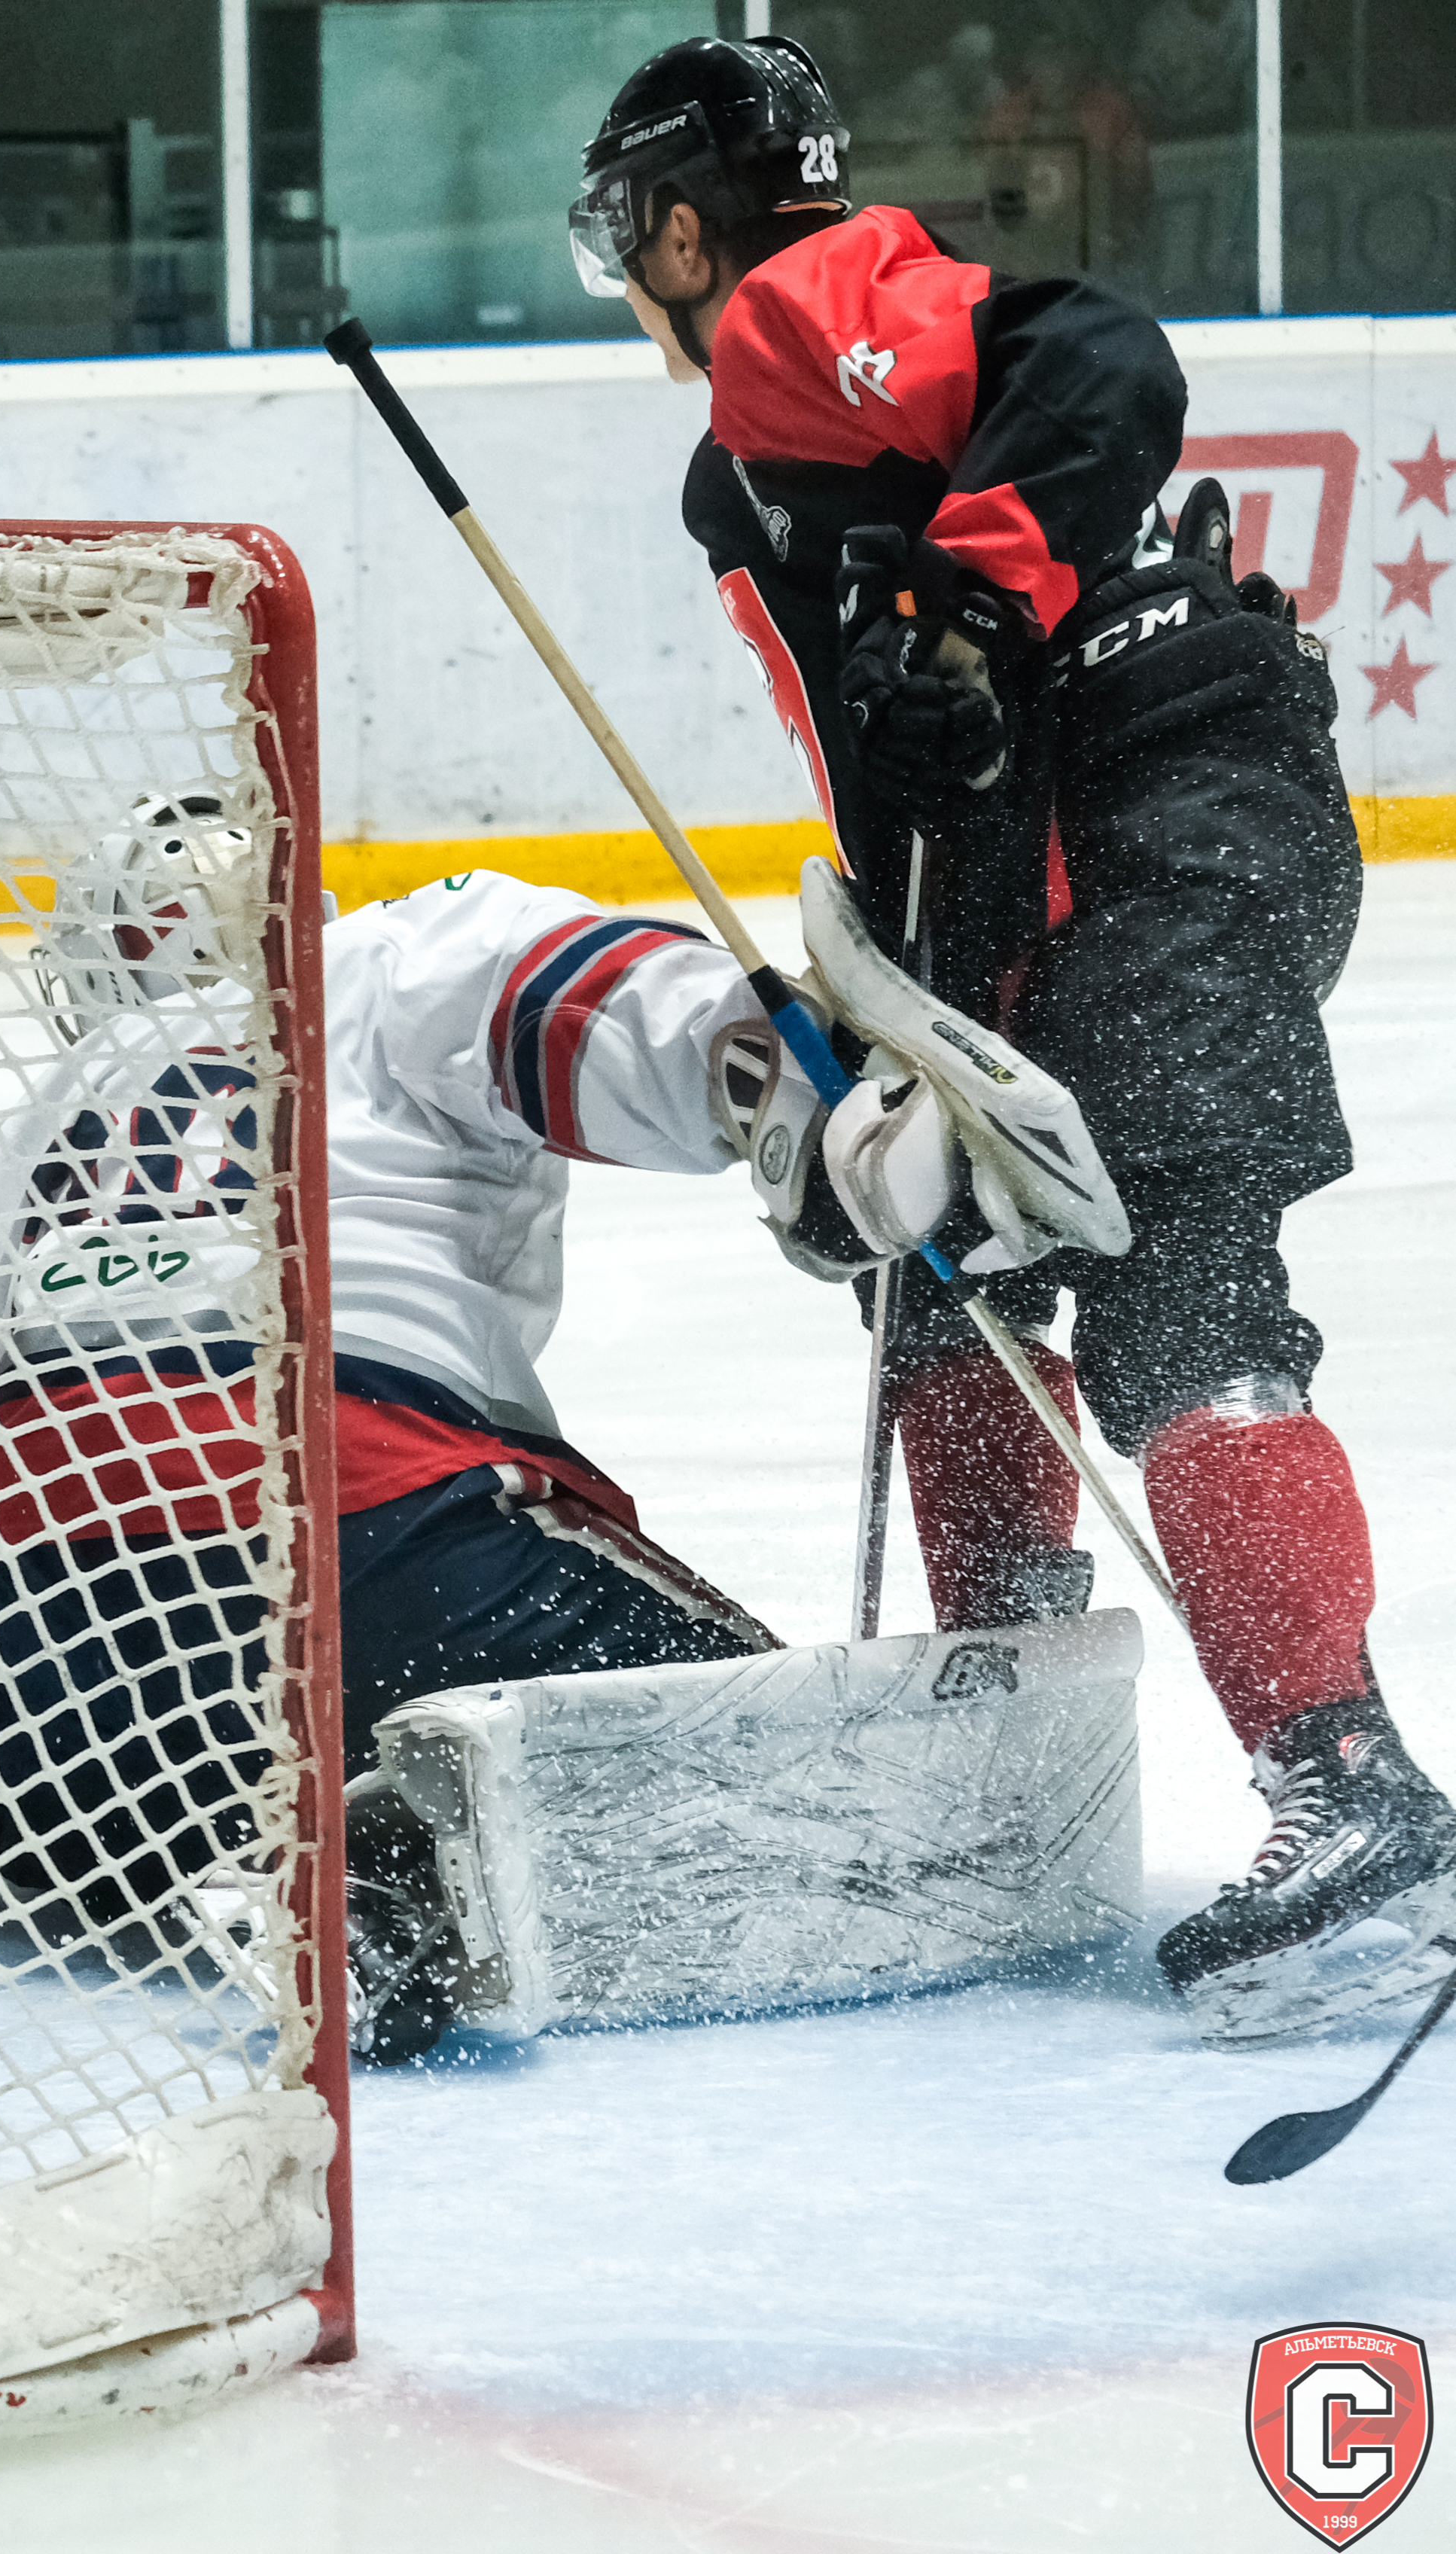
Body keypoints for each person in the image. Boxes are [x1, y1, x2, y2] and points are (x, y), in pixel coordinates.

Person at [0, 814, 1031, 2059]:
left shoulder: (32, 1143)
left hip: (31, 1664)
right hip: (380, 1553)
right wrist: (798, 1096)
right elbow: (578, 1003)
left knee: (32, 1749)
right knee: (800, 1773)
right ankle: (387, 1863)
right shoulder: (375, 962)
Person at [571, 35, 1442, 2016]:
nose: (631, 281)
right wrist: (902, 1038)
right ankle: (1012, 1756)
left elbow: (1103, 359)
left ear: (682, 225)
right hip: (1097, 844)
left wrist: (968, 615)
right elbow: (928, 768)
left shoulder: (794, 316)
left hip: (1166, 819)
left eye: (628, 239)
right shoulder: (763, 454)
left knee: (1181, 1287)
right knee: (947, 1270)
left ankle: (1358, 1796)